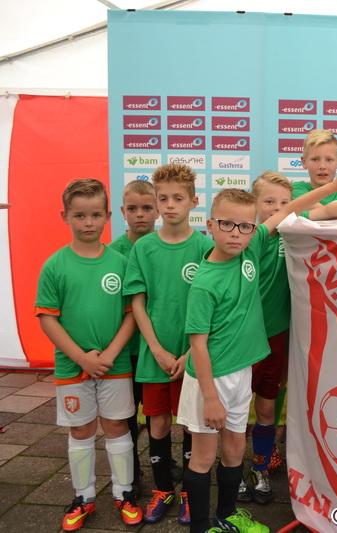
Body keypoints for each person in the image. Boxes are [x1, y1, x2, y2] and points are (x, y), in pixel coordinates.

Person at [179, 162, 337, 533]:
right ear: (210, 225)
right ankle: (200, 527)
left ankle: (227, 517)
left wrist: (334, 186)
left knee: (233, 450)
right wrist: (209, 397)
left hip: (240, 373)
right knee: (204, 457)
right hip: (210, 380)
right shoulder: (204, 282)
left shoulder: (253, 247)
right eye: (227, 224)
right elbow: (197, 344)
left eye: (244, 226)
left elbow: (290, 208)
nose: (236, 233)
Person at [36, 179, 142, 530]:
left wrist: (110, 353)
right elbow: (48, 318)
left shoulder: (120, 262)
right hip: (72, 366)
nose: (88, 222)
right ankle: (83, 497)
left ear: (108, 216)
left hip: (115, 365)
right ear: (65, 216)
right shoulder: (55, 265)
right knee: (81, 429)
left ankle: (124, 493)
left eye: (96, 215)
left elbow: (131, 314)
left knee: (116, 426)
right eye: (79, 215)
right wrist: (82, 358)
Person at [124, 163, 212, 524]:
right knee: (158, 424)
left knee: (193, 425)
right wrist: (157, 349)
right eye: (164, 199)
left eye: (178, 198)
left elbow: (215, 306)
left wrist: (190, 352)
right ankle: (163, 490)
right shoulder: (144, 248)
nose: (170, 205)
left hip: (193, 356)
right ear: (157, 202)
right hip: (154, 356)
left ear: (194, 201)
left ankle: (191, 493)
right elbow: (137, 303)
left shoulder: (206, 246)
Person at [109, 179, 159, 496]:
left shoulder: (165, 247)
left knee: (157, 415)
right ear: (122, 211)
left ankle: (162, 463)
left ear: (157, 210)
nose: (140, 214)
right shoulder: (113, 254)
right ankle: (131, 472)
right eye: (133, 208)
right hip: (127, 351)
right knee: (127, 416)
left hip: (155, 350)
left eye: (146, 208)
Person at [293, 129, 337, 206]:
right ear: (304, 162)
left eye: (329, 160)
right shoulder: (296, 189)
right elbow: (320, 210)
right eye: (315, 159)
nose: (322, 166)